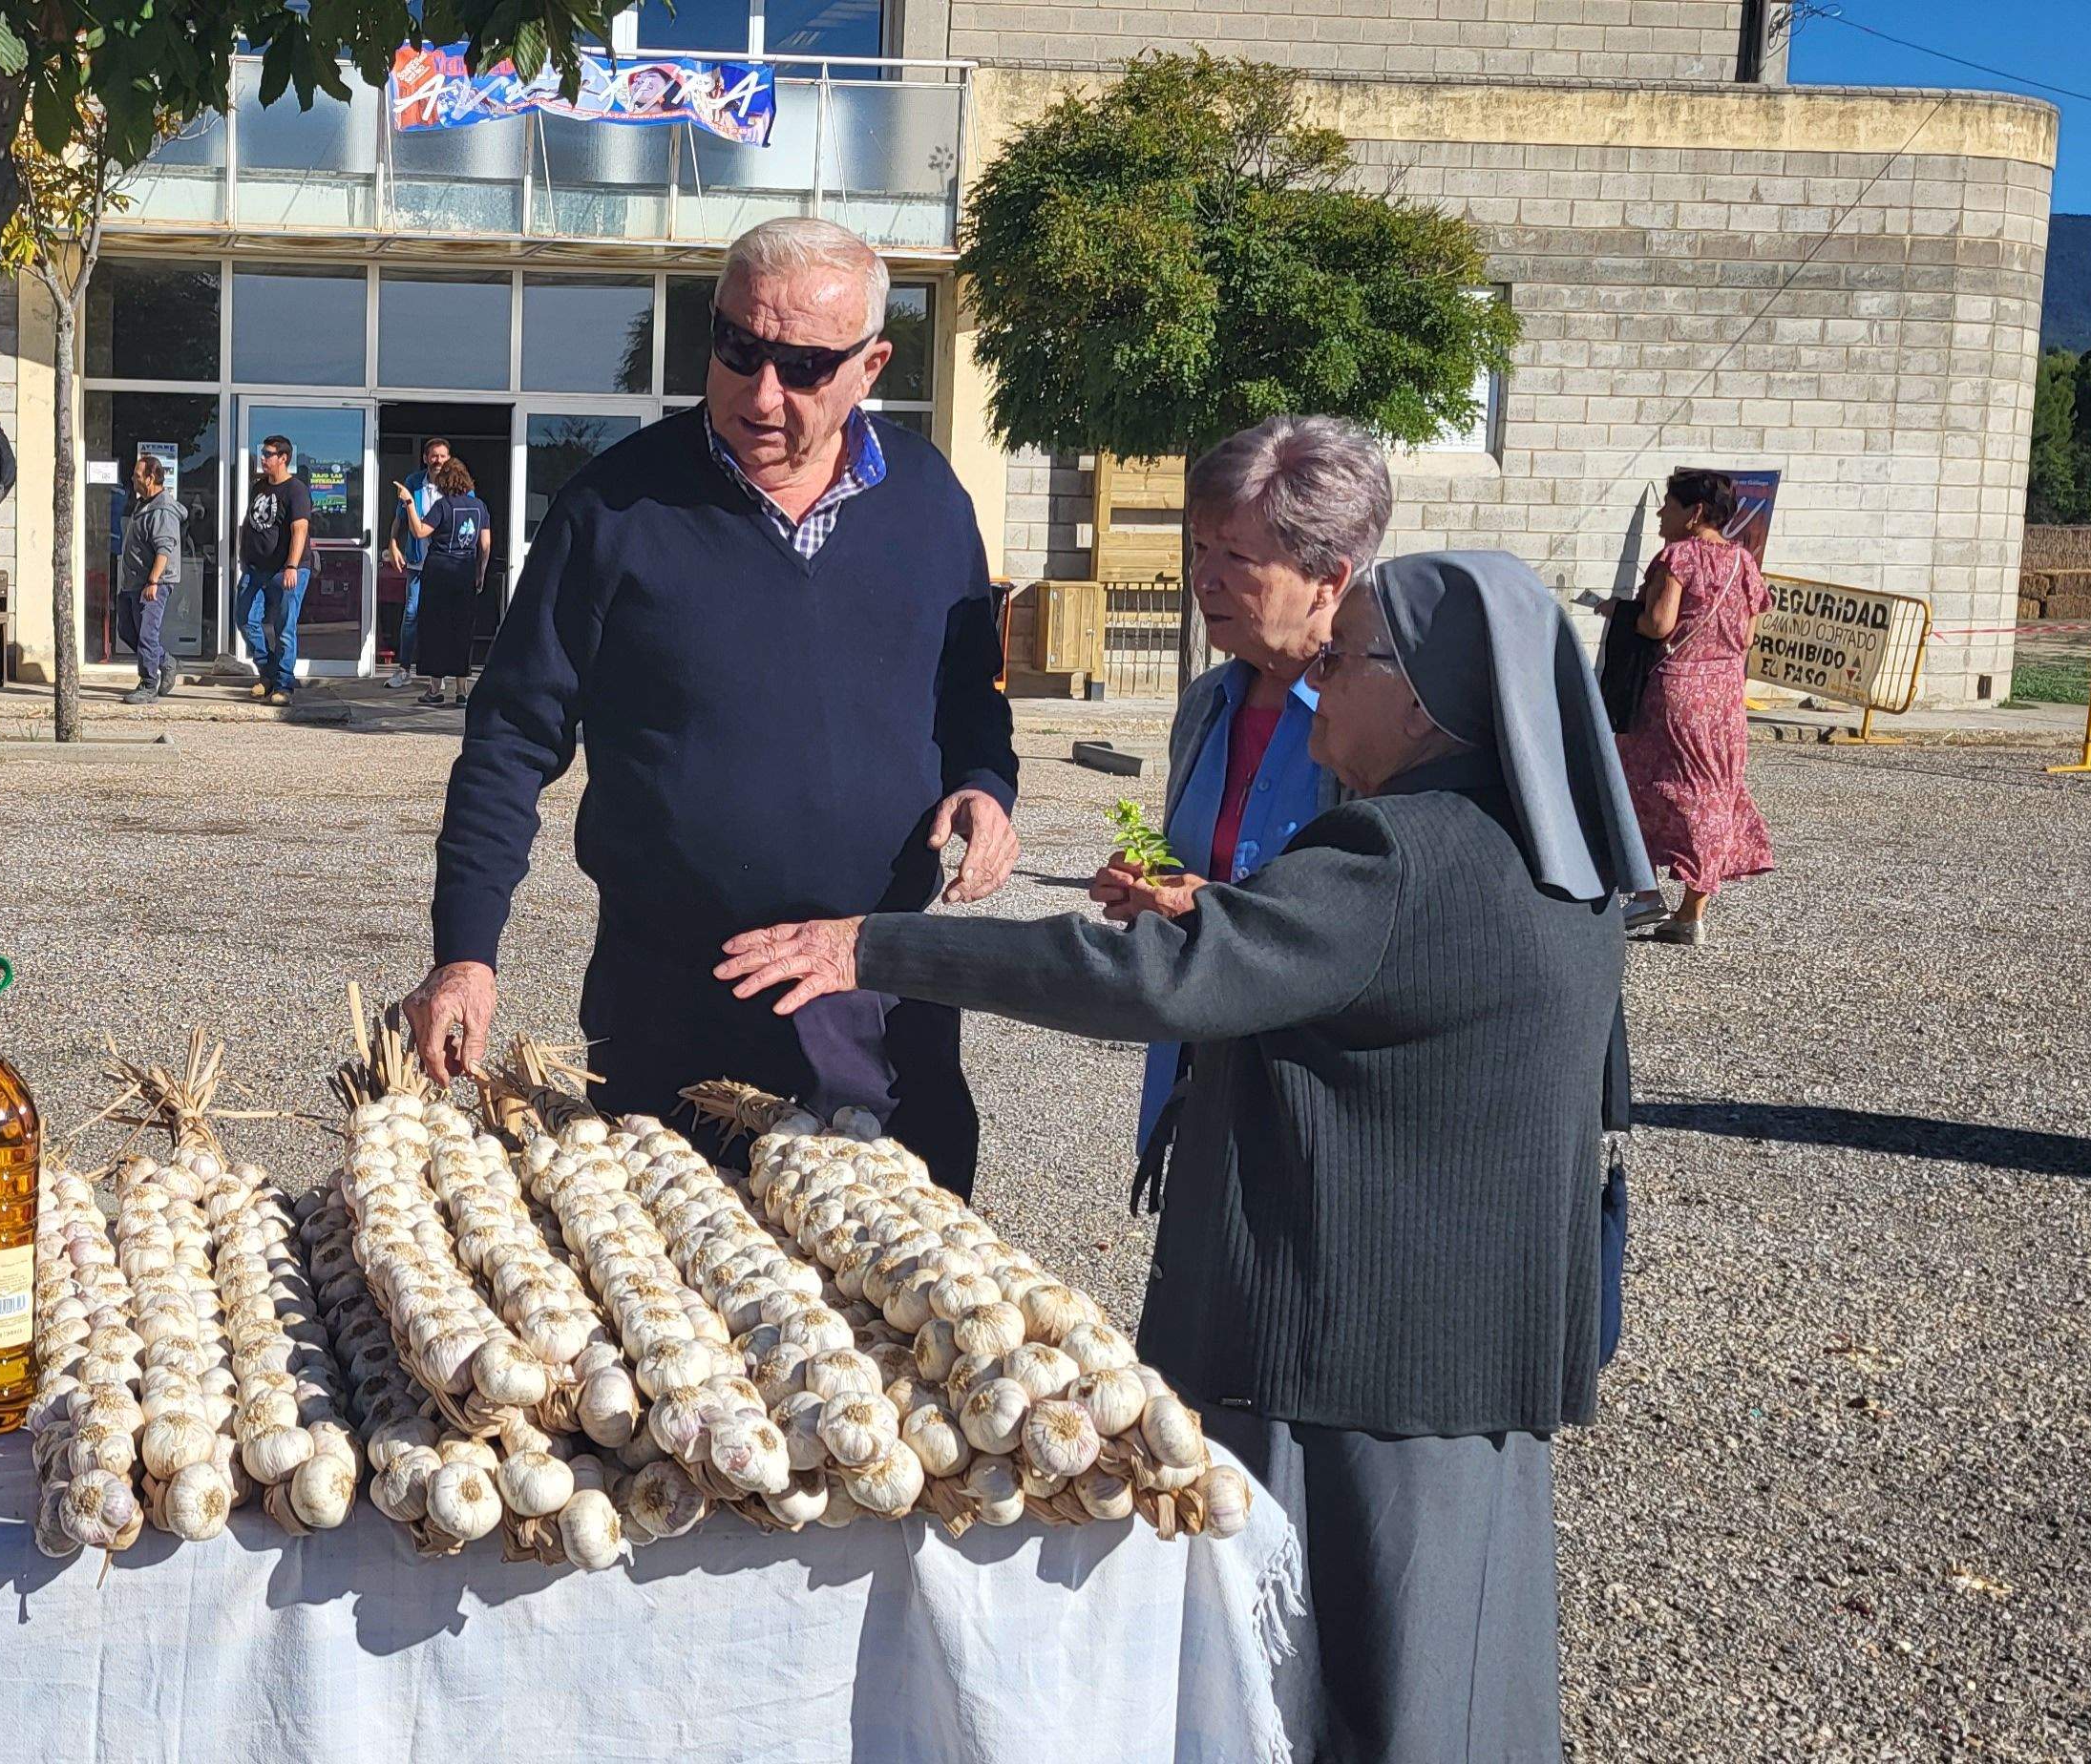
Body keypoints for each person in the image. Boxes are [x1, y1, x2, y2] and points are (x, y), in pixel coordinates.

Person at [717, 551, 1658, 1763]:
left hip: (1353, 1366)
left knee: (1327, 1669)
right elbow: (1352, 978)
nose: (1316, 675)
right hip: (1478, 1350)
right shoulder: (1548, 856)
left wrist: (875, 948)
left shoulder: (1393, 853)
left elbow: (1144, 979)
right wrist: (1225, 915)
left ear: (1431, 698)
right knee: (1462, 1659)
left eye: (1345, 655)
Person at [404, 215, 1019, 1191]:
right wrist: (464, 953)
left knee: (907, 1301)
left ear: (872, 365)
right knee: (674, 1305)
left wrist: (985, 784)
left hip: (878, 988)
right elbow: (510, 741)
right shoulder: (613, 510)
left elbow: (967, 696)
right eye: (738, 348)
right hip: (674, 1005)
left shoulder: (930, 501)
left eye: (806, 367)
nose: (762, 393)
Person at [1096, 415, 1381, 1174]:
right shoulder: (1209, 702)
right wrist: (1144, 875)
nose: (1205, 577)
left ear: (1330, 580)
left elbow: (1365, 927)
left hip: (1305, 1102)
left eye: (1239, 557)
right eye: (1199, 548)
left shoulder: (1378, 722)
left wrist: (1203, 908)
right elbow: (1194, 863)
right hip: (1195, 1077)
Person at [1617, 467, 1775, 945]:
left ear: (1696, 512)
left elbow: (1660, 623)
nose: (1663, 513)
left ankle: (1644, 892)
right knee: (1712, 791)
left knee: (1642, 780)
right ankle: (1691, 913)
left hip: (1678, 688)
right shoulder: (1744, 564)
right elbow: (1748, 634)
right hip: (1726, 694)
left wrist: (1633, 616)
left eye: (1670, 505)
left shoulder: (1678, 556)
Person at [236, 435, 313, 707]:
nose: (263, 458)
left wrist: (291, 565)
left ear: (284, 458)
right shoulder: (259, 487)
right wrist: (243, 558)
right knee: (245, 618)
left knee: (285, 628)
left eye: (269, 454)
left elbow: (299, 529)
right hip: (256, 569)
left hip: (287, 570)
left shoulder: (296, 490)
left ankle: (283, 685)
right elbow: (250, 524)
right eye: (263, 452)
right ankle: (267, 672)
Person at [410, 459, 491, 708]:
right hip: (465, 570)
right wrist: (481, 572)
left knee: (436, 628)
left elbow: (420, 531)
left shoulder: (443, 505)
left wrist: (409, 504)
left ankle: (435, 688)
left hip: (439, 572)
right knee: (462, 629)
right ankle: (462, 689)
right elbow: (485, 545)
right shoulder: (479, 507)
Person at [110, 455, 181, 704]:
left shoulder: (162, 510)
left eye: (137, 476)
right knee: (127, 631)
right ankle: (165, 661)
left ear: (151, 478)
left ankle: (149, 684)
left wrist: (153, 582)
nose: (133, 479)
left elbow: (165, 549)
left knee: (147, 634)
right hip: (132, 582)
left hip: (152, 585)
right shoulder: (143, 504)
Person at [391, 438, 455, 686]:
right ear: (426, 458)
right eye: (433, 456)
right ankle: (404, 668)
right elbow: (400, 518)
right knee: (411, 613)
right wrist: (393, 543)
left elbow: (471, 512)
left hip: (447, 562)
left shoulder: (456, 484)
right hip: (418, 560)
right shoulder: (414, 482)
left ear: (448, 458)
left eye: (442, 456)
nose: (437, 460)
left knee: (442, 616)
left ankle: (440, 671)